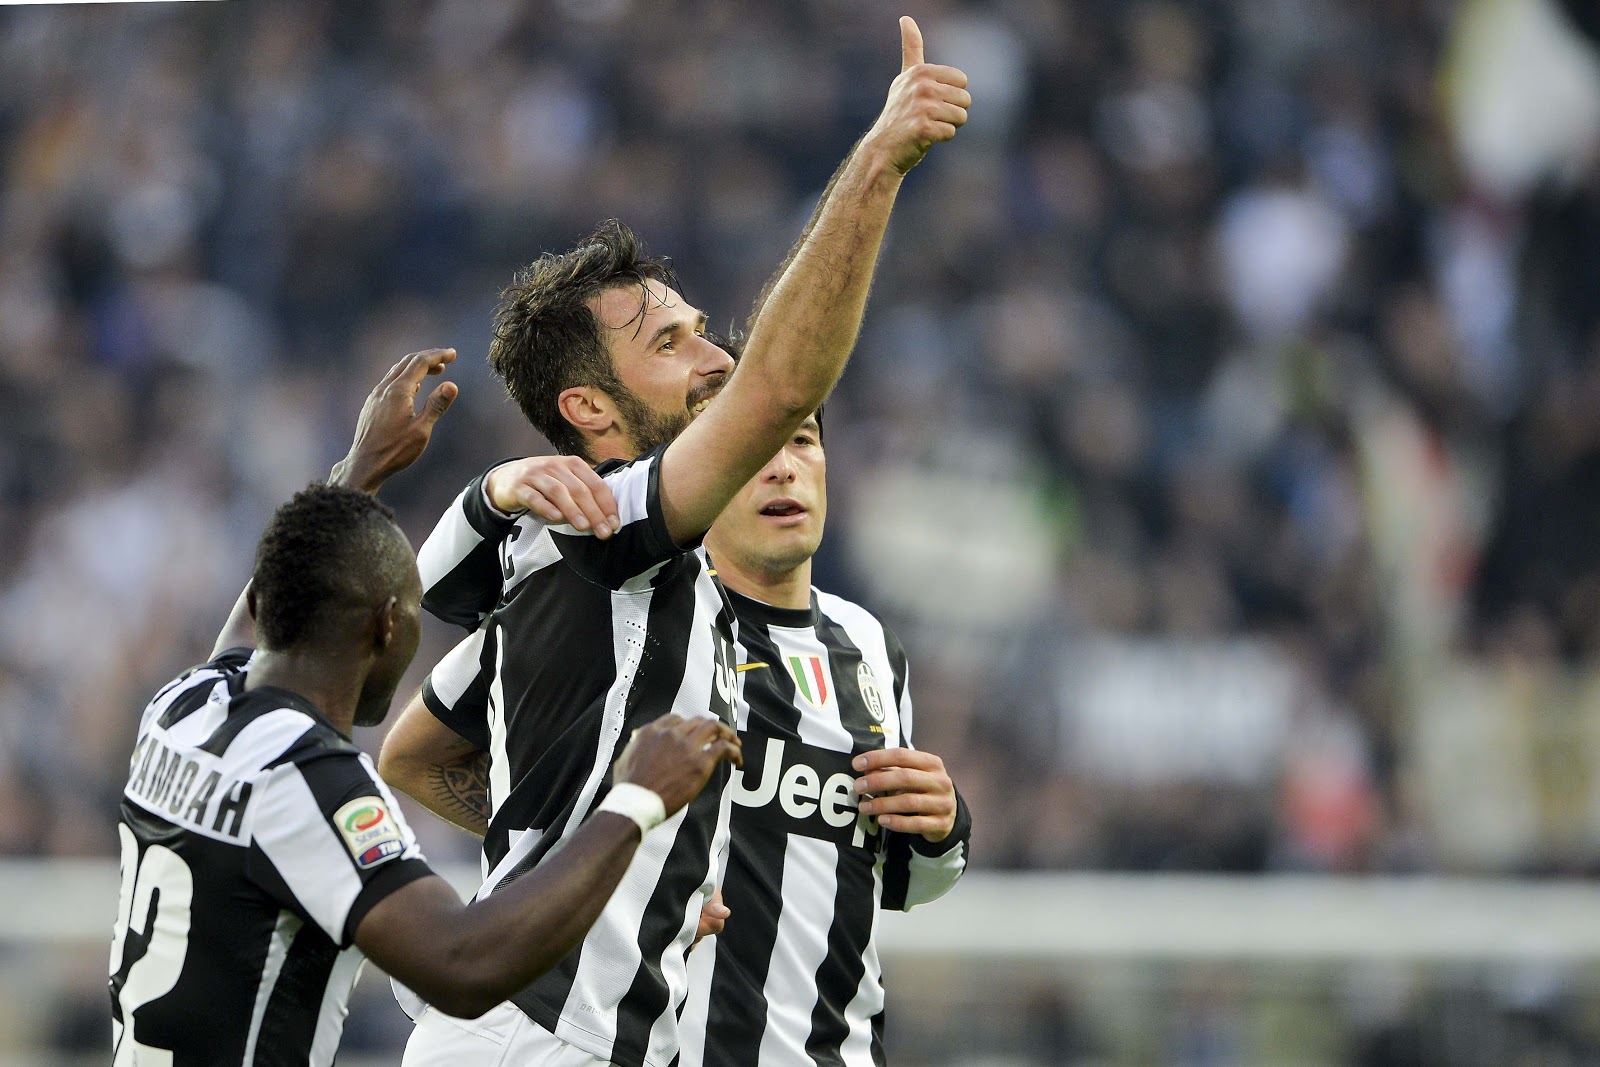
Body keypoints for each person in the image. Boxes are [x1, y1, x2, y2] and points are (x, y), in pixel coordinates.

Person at [379, 17, 971, 1066]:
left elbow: (426, 738)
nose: (715, 361)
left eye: (703, 331)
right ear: (591, 410)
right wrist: (878, 164)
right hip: (541, 1036)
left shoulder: (734, 601)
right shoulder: (592, 524)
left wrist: (630, 861)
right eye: (672, 342)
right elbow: (778, 384)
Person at [108, 350, 740, 1066]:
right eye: (414, 611)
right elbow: (463, 964)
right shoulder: (310, 782)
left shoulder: (185, 705)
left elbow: (260, 614)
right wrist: (635, 804)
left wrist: (362, 466)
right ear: (385, 625)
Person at [388, 406, 974, 1067]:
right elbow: (414, 756)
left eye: (803, 441)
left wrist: (941, 829)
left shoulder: (870, 647)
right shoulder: (617, 604)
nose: (782, 468)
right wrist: (610, 856)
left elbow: (881, 879)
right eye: (754, 445)